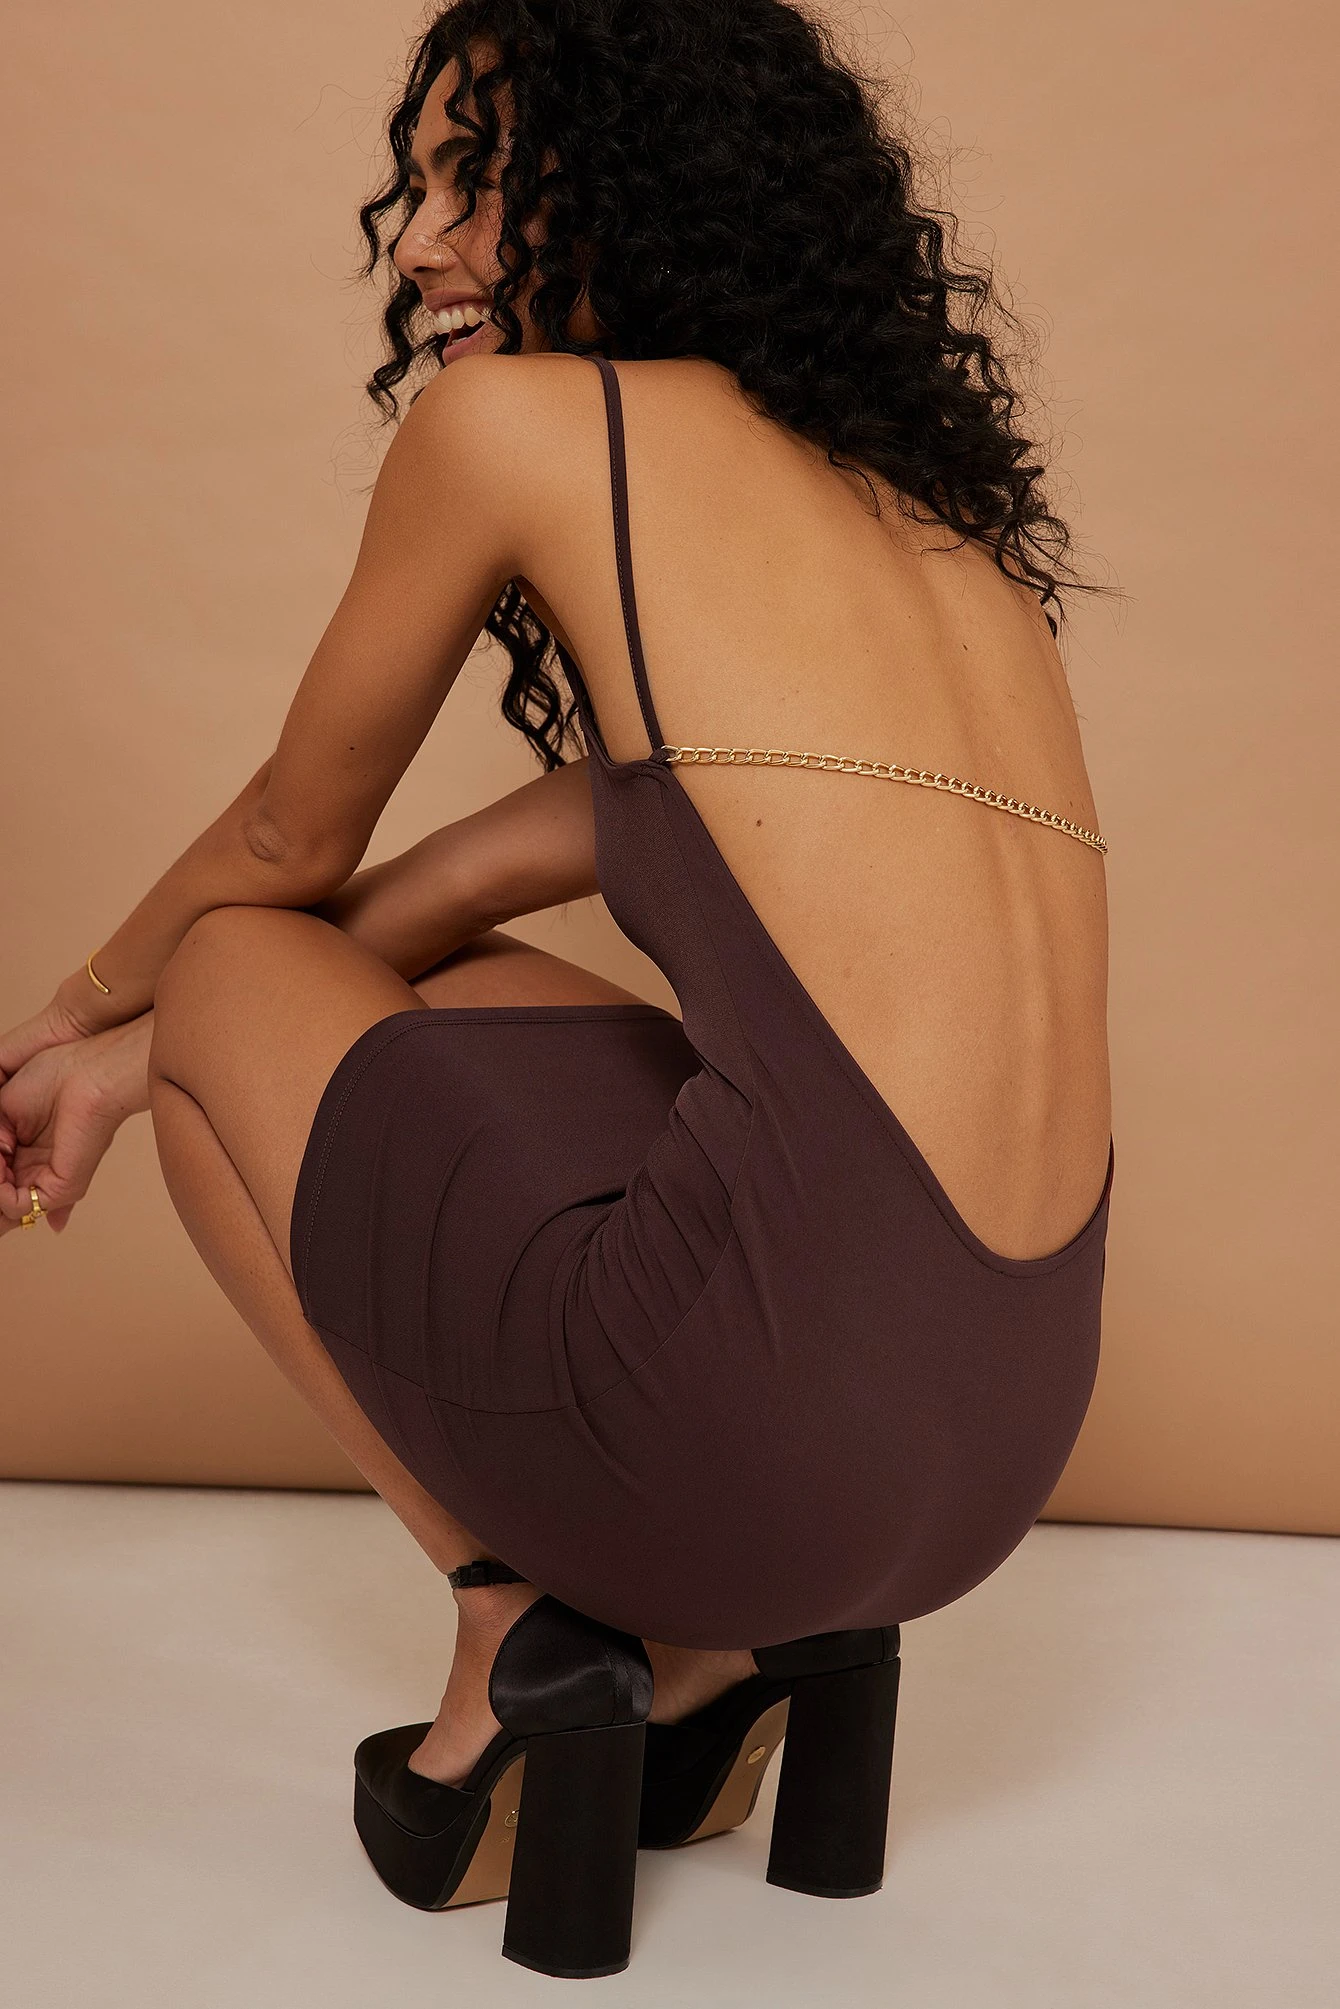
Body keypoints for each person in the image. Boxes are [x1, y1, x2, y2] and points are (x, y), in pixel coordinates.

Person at [0, 0, 1114, 1979]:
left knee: (247, 957)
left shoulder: (527, 426)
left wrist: (71, 1020)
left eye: (479, 180)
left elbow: (282, 849)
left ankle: (520, 1628)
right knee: (379, 992)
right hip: (987, 1462)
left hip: (755, 1431)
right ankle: (746, 1662)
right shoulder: (930, 524)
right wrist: (152, 1052)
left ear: (641, 188)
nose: (420, 240)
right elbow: (515, 860)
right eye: (416, 184)